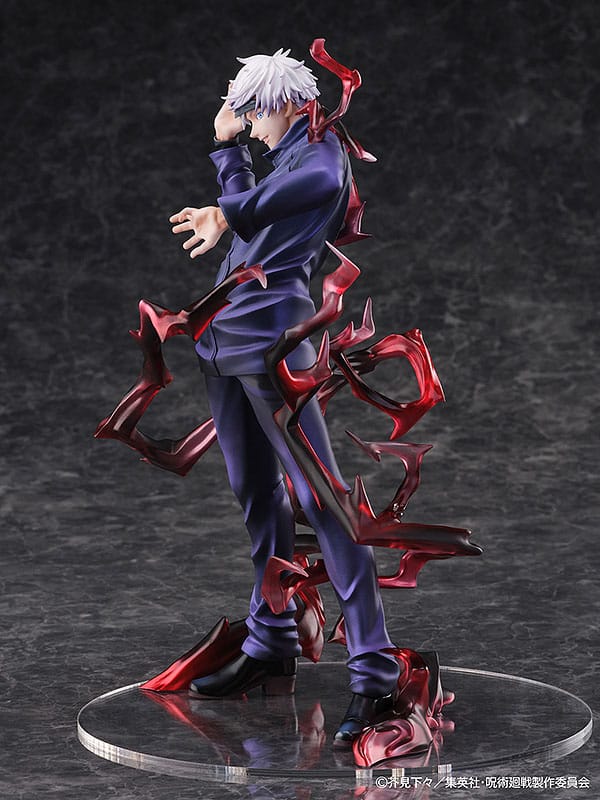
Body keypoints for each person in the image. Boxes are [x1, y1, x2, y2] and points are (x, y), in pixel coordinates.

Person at [169, 48, 400, 745]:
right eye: (243, 112)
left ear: (291, 104)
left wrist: (226, 182)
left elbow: (270, 201)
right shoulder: (291, 153)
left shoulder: (323, 161)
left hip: (274, 342)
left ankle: (375, 673)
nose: (249, 123)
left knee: (321, 499)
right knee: (255, 493)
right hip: (224, 336)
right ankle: (271, 641)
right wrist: (225, 181)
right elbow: (248, 217)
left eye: (254, 112)